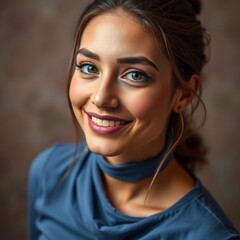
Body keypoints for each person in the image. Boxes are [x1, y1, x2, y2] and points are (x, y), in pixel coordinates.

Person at [28, 0, 240, 239]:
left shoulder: (208, 234)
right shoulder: (49, 172)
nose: (101, 97)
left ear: (184, 94)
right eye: (89, 68)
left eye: (135, 75)